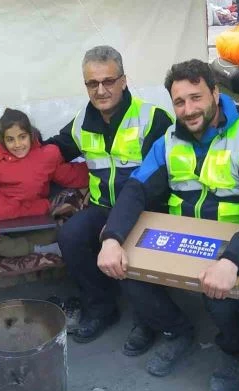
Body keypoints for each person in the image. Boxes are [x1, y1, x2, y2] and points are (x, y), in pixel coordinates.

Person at [97, 59, 239, 391]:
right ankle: (177, 330)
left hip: (233, 244)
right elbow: (136, 189)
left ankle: (233, 350)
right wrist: (111, 237)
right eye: (179, 102)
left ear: (215, 93)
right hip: (183, 239)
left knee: (220, 297)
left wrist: (232, 261)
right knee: (125, 267)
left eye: (196, 98)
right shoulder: (167, 141)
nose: (189, 109)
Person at [46, 45, 173, 344]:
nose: (101, 90)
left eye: (109, 81)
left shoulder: (153, 119)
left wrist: (119, 223)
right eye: (93, 83)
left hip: (145, 210)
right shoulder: (82, 122)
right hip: (102, 207)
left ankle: (147, 321)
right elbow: (54, 148)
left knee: (129, 242)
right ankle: (101, 307)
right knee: (71, 236)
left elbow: (161, 181)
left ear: (124, 80)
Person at [0, 108, 88, 257]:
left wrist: (100, 172)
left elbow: (70, 175)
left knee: (56, 232)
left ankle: (31, 246)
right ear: (3, 139)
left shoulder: (46, 157)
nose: (17, 144)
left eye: (22, 137)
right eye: (10, 139)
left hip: (31, 218)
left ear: (30, 135)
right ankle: (36, 249)